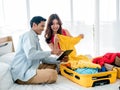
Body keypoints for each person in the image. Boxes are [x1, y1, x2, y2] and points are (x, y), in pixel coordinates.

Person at [10, 16, 67, 85]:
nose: (43, 29)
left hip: (33, 66)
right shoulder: (28, 36)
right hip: (23, 72)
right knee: (53, 74)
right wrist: (51, 52)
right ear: (34, 25)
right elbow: (31, 55)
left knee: (56, 65)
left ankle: (44, 72)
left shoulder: (34, 38)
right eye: (42, 26)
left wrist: (60, 60)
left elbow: (43, 58)